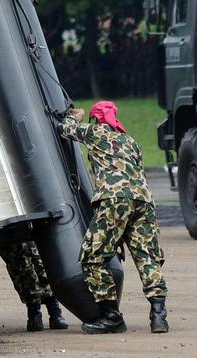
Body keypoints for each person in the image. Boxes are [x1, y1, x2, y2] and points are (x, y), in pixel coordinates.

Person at [57, 102, 168, 334]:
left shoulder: (95, 132)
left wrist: (76, 116)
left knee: (92, 256)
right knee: (148, 257)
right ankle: (159, 316)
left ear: (96, 119)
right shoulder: (132, 142)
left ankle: (111, 316)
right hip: (144, 201)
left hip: (114, 199)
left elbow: (64, 129)